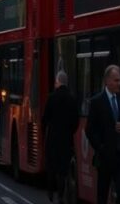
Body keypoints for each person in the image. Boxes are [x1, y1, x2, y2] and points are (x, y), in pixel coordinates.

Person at [85, 65, 120, 204]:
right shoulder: (97, 102)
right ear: (107, 81)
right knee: (102, 195)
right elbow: (89, 129)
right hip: (105, 157)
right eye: (116, 80)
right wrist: (100, 147)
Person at [42, 71, 79, 204]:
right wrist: (70, 131)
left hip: (52, 139)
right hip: (66, 139)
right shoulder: (72, 99)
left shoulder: (51, 97)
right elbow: (76, 121)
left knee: (52, 166)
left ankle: (51, 190)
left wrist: (46, 131)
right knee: (63, 169)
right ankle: (61, 195)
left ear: (58, 82)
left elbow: (45, 118)